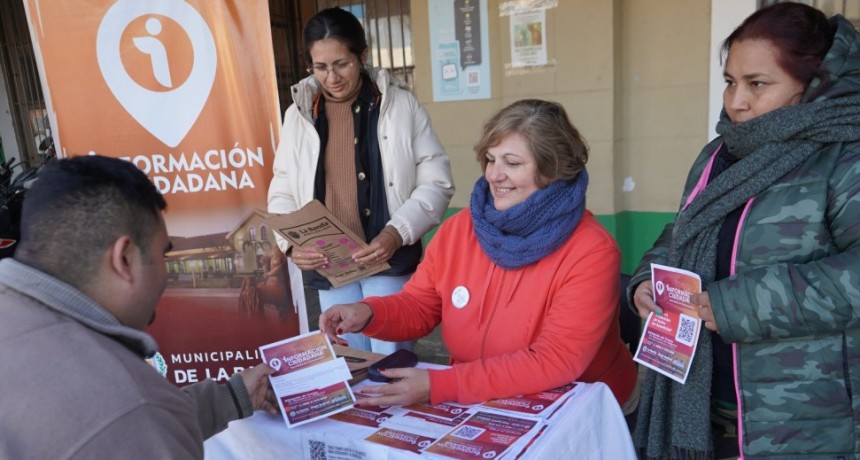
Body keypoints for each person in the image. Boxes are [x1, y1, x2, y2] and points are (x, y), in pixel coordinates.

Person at [629, 3, 860, 458]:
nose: (736, 102)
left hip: (802, 418)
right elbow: (688, 227)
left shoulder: (844, 155)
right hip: (706, 403)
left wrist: (741, 304)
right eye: (731, 82)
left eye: (758, 84)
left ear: (813, 84)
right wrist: (647, 278)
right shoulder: (720, 153)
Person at [319, 99, 638, 409]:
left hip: (575, 402)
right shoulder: (459, 229)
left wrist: (440, 385)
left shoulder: (591, 250)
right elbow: (420, 305)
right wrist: (369, 313)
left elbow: (555, 360)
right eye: (490, 159)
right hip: (480, 399)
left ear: (553, 170)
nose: (494, 175)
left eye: (512, 163)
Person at [0, 155, 278, 459]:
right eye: (163, 255)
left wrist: (230, 398)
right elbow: (129, 422)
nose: (165, 273)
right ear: (124, 260)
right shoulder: (132, 407)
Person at [267, 7, 454, 354]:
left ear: (362, 56)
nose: (331, 77)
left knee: (391, 362)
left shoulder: (401, 106)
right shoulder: (299, 114)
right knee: (348, 361)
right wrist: (291, 245)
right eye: (319, 67)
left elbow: (436, 180)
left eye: (341, 64)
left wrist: (396, 233)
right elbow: (282, 187)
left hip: (387, 258)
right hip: (329, 263)